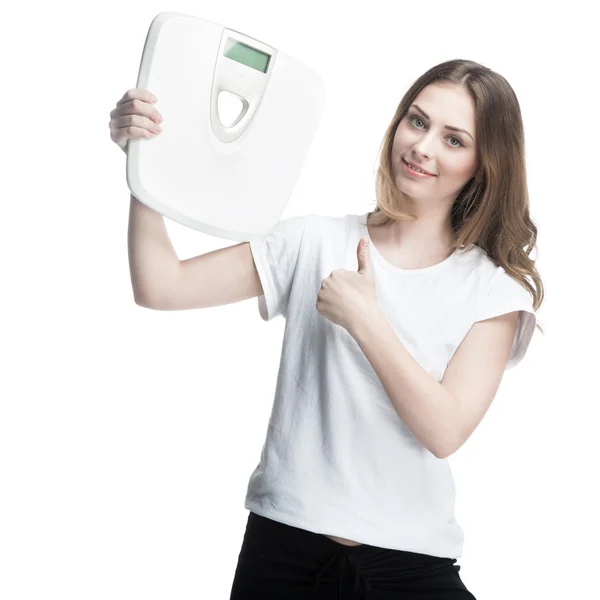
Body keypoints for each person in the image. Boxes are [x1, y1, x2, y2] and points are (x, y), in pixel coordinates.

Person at [109, 58, 544, 599]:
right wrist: (143, 165)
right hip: (283, 551)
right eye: (417, 121)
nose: (423, 146)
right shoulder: (312, 241)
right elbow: (161, 285)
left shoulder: (492, 290)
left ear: (484, 164)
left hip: (408, 563)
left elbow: (444, 429)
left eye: (454, 140)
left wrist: (366, 320)